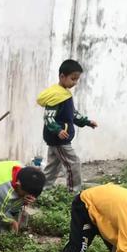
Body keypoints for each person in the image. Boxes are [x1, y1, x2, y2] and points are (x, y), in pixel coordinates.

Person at [37, 59, 98, 193]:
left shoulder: (64, 94)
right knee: (73, 163)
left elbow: (72, 114)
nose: (75, 82)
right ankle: (74, 192)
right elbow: (48, 117)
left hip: (58, 139)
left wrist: (86, 122)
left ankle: (41, 190)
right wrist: (58, 130)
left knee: (52, 167)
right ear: (62, 76)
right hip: (60, 140)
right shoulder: (56, 95)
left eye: (77, 79)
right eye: (72, 79)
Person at [0, 161, 46, 232]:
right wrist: (11, 221)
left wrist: (28, 198)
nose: (27, 196)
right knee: (9, 201)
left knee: (17, 197)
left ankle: (8, 213)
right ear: (18, 184)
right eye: (25, 193)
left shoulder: (24, 173)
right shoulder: (6, 186)